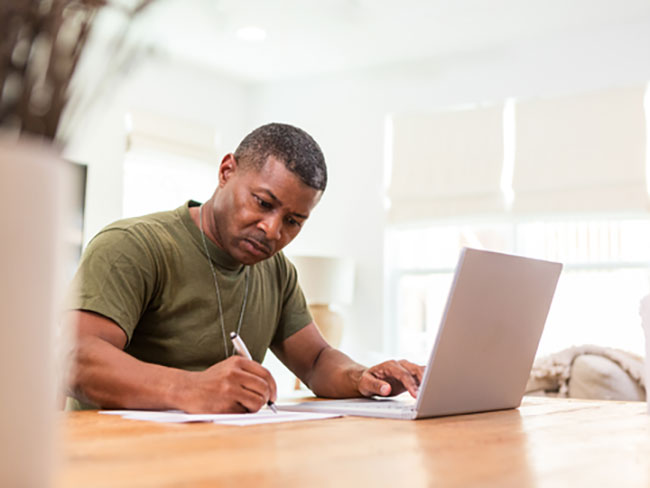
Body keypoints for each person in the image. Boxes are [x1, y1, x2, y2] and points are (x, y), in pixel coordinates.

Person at [65, 122, 424, 413]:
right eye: (263, 202)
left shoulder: (276, 270)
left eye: (294, 221)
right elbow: (76, 359)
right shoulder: (134, 246)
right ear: (226, 172)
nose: (273, 230)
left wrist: (363, 377)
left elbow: (315, 361)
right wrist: (190, 388)